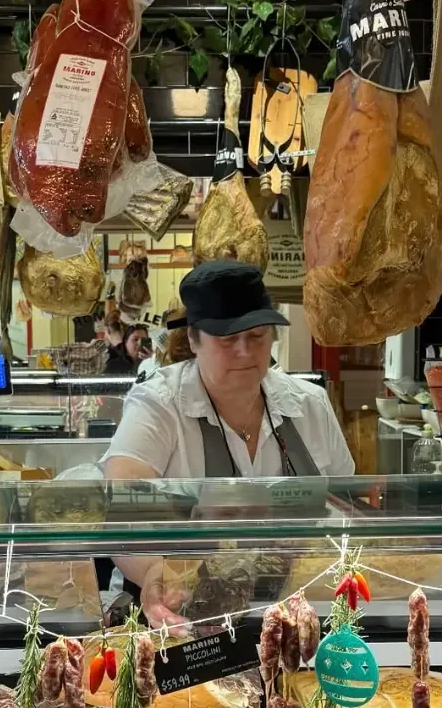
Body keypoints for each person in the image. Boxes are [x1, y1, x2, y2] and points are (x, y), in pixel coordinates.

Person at [102, 260, 355, 627]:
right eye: (227, 339)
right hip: (184, 613)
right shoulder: (158, 404)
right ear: (193, 340)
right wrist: (156, 573)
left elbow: (345, 505)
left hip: (298, 613)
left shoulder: (310, 404)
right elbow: (121, 509)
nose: (245, 351)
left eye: (257, 336)